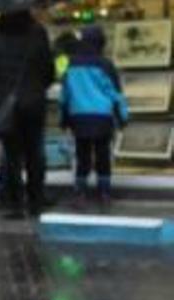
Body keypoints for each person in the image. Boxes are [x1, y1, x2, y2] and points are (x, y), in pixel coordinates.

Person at [0, 9, 55, 218]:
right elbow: (49, 70)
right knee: (35, 152)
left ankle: (14, 200)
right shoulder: (38, 32)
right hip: (33, 102)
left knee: (12, 155)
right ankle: (36, 197)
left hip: (5, 103)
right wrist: (38, 87)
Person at [59, 26, 128, 209]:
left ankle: (80, 193)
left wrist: (64, 118)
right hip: (102, 117)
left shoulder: (70, 64)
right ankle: (104, 192)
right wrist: (122, 116)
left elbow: (65, 95)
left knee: (82, 156)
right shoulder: (105, 64)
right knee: (102, 154)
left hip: (79, 117)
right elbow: (115, 93)